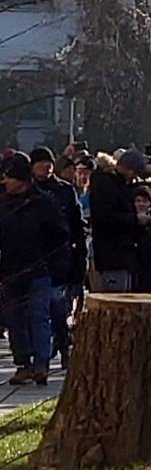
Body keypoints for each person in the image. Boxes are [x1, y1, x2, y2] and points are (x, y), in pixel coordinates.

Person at [0, 155, 70, 386]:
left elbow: (61, 236)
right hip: (10, 271)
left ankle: (41, 363)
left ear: (22, 178)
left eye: (9, 176)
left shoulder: (44, 203)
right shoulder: (3, 204)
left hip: (40, 270)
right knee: (14, 318)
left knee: (39, 316)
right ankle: (23, 364)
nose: (5, 181)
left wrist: (55, 265)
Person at [28, 148, 86, 362]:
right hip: (34, 258)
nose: (46, 166)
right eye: (41, 162)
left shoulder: (65, 191)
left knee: (58, 306)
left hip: (60, 257)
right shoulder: (28, 191)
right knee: (38, 311)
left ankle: (62, 342)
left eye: (49, 162)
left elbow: (75, 225)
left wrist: (78, 256)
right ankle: (42, 350)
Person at [89, 148, 150, 291]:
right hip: (112, 256)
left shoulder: (121, 185)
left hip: (123, 256)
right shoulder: (105, 184)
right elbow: (105, 218)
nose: (134, 177)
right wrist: (135, 219)